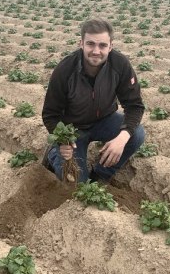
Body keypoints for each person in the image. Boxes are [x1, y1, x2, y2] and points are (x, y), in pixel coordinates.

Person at [42, 18, 145, 183]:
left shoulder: (120, 65)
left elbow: (135, 106)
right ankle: (54, 154)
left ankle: (100, 175)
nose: (96, 51)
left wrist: (122, 138)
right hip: (73, 131)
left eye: (103, 45)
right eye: (90, 44)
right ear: (81, 43)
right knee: (75, 184)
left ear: (110, 46)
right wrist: (63, 142)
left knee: (136, 134)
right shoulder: (65, 69)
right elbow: (50, 114)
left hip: (105, 120)